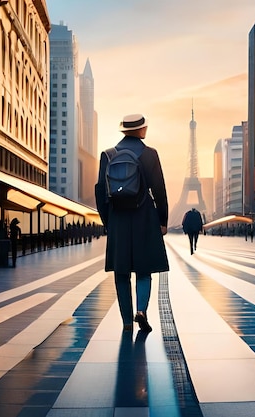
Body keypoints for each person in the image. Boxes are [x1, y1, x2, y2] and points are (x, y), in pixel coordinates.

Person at [95, 114, 169, 333]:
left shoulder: (107, 155)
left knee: (121, 272)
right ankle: (142, 311)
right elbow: (159, 190)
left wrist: (108, 221)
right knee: (144, 269)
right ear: (142, 130)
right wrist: (162, 221)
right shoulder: (150, 154)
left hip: (118, 217)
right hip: (144, 214)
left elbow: (100, 192)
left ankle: (126, 321)